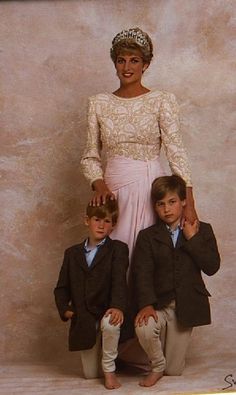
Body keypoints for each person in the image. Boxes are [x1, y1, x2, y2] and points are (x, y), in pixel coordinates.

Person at [81, 27, 198, 259]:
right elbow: (90, 156)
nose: (127, 67)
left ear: (145, 64)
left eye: (134, 60)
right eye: (121, 60)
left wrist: (189, 203)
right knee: (114, 260)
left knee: (147, 259)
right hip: (113, 189)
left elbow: (177, 154)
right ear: (114, 63)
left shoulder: (161, 100)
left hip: (151, 189)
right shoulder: (98, 103)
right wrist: (99, 185)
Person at [132, 175, 220, 387]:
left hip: (186, 306)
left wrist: (193, 239)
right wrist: (146, 304)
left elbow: (212, 267)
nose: (166, 209)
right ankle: (156, 365)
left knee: (174, 371)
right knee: (144, 327)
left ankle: (166, 363)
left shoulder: (202, 230)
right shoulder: (147, 236)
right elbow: (141, 272)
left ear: (183, 202)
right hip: (159, 304)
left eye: (172, 202)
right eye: (161, 204)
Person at [54, 199, 129, 390]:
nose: (101, 225)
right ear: (87, 220)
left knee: (111, 323)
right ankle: (106, 360)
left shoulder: (118, 249)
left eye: (107, 221)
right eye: (97, 219)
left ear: (113, 225)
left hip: (106, 310)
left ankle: (110, 369)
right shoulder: (71, 253)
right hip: (83, 316)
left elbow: (119, 281)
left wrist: (118, 306)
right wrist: (66, 310)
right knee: (90, 375)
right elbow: (61, 288)